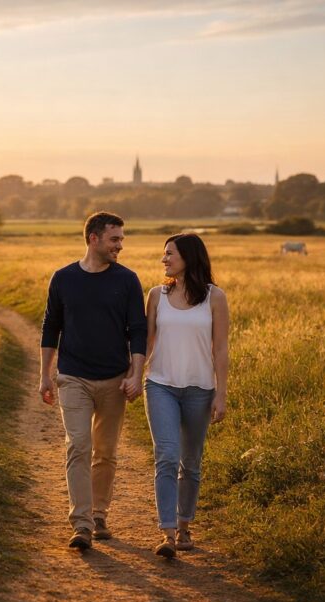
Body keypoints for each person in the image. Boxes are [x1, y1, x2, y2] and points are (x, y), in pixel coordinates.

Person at [39, 212, 147, 550]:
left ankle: (100, 513)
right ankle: (82, 523)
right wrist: (45, 374)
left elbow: (138, 332)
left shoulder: (128, 280)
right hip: (72, 377)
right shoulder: (63, 278)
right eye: (115, 240)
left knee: (106, 452)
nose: (120, 246)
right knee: (79, 445)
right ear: (94, 239)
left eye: (121, 240)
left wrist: (135, 374)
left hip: (114, 379)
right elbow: (50, 327)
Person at [143, 233, 229, 558]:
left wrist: (221, 393)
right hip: (161, 384)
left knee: (190, 462)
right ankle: (166, 532)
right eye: (163, 254)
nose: (164, 260)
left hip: (200, 389)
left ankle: (183, 525)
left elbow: (220, 349)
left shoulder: (214, 297)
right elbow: (147, 344)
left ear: (189, 257)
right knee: (166, 455)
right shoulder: (156, 295)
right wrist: (133, 376)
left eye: (170, 254)